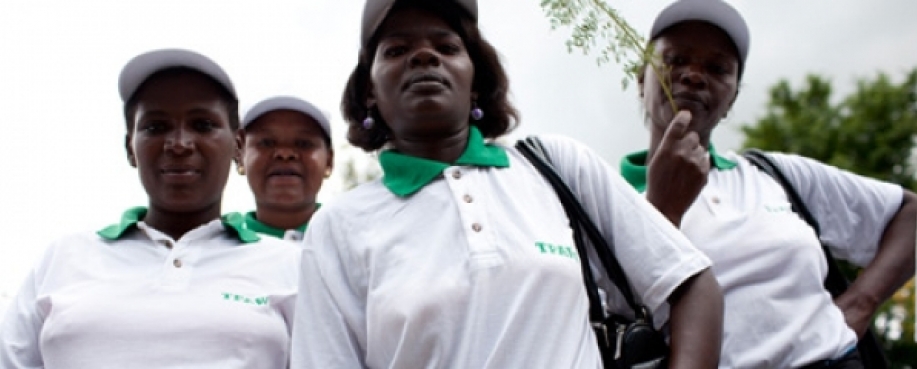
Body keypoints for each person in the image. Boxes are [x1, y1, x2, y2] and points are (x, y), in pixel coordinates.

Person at [290, 0, 724, 367]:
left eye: (447, 46)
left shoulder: (556, 166)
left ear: (475, 81)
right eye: (397, 49)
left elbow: (691, 283)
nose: (424, 58)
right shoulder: (339, 227)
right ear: (369, 91)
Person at [618, 0, 917, 367]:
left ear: (732, 99)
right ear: (640, 79)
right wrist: (663, 209)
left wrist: (859, 305)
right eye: (676, 59)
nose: (694, 75)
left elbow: (909, 213)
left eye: (717, 68)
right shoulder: (607, 203)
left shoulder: (775, 176)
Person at [0, 49, 301, 368]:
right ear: (130, 148)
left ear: (238, 146)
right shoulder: (63, 258)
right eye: (156, 127)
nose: (180, 143)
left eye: (202, 124)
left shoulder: (289, 264)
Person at [237, 96, 334, 240]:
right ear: (240, 157)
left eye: (303, 143)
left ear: (329, 161)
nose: (285, 154)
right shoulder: (214, 249)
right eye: (267, 142)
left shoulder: (354, 242)